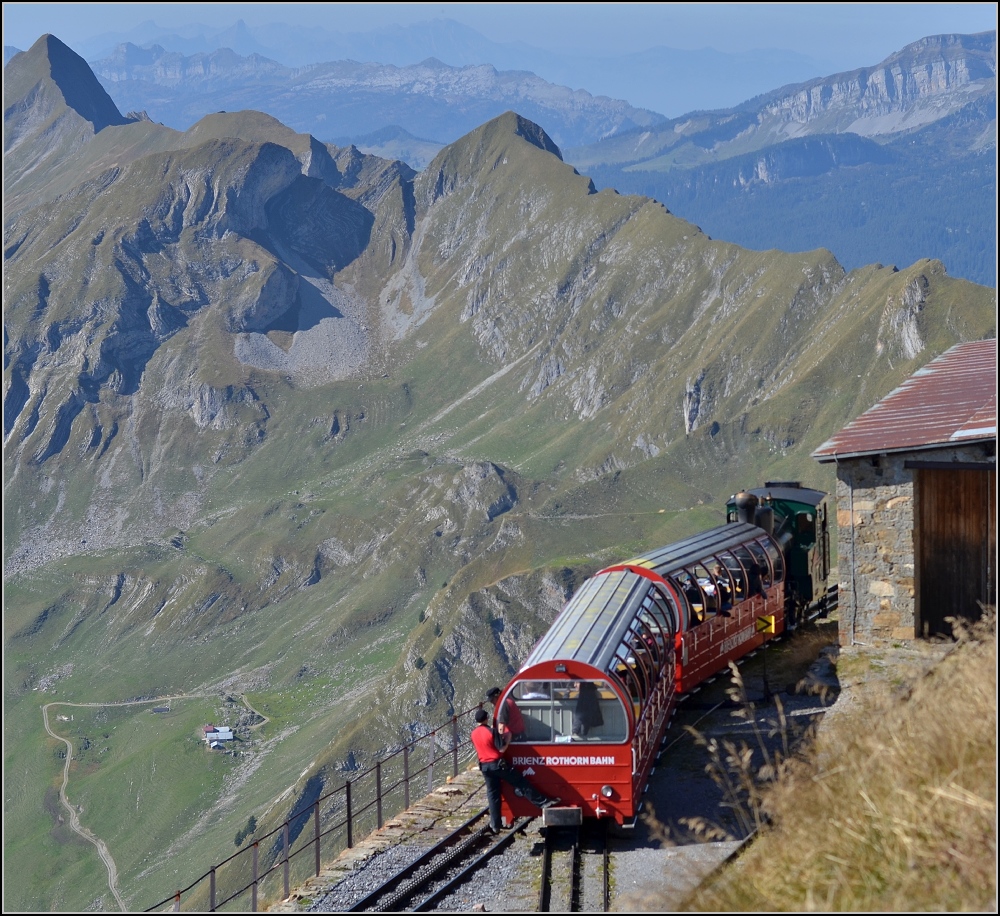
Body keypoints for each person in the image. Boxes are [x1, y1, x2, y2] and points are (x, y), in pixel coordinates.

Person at [470, 708, 559, 832]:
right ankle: (543, 802)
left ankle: (495, 824)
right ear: (486, 718)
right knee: (521, 782)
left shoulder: (473, 734)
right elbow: (501, 748)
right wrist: (508, 738)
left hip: (484, 766)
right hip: (497, 764)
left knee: (493, 794)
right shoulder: (491, 732)